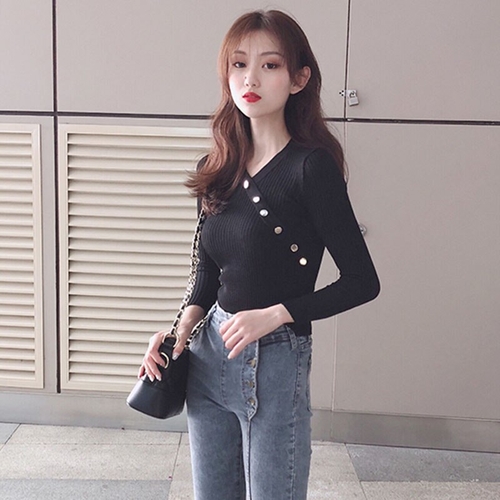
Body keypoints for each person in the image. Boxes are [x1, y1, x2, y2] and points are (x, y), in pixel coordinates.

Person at [139, 9, 380, 500]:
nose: (250, 79)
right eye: (239, 64)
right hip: (208, 356)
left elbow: (362, 280)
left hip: (273, 361)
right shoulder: (217, 164)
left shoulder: (311, 169)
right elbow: (208, 271)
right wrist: (178, 332)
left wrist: (276, 314)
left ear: (299, 79)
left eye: (269, 65)